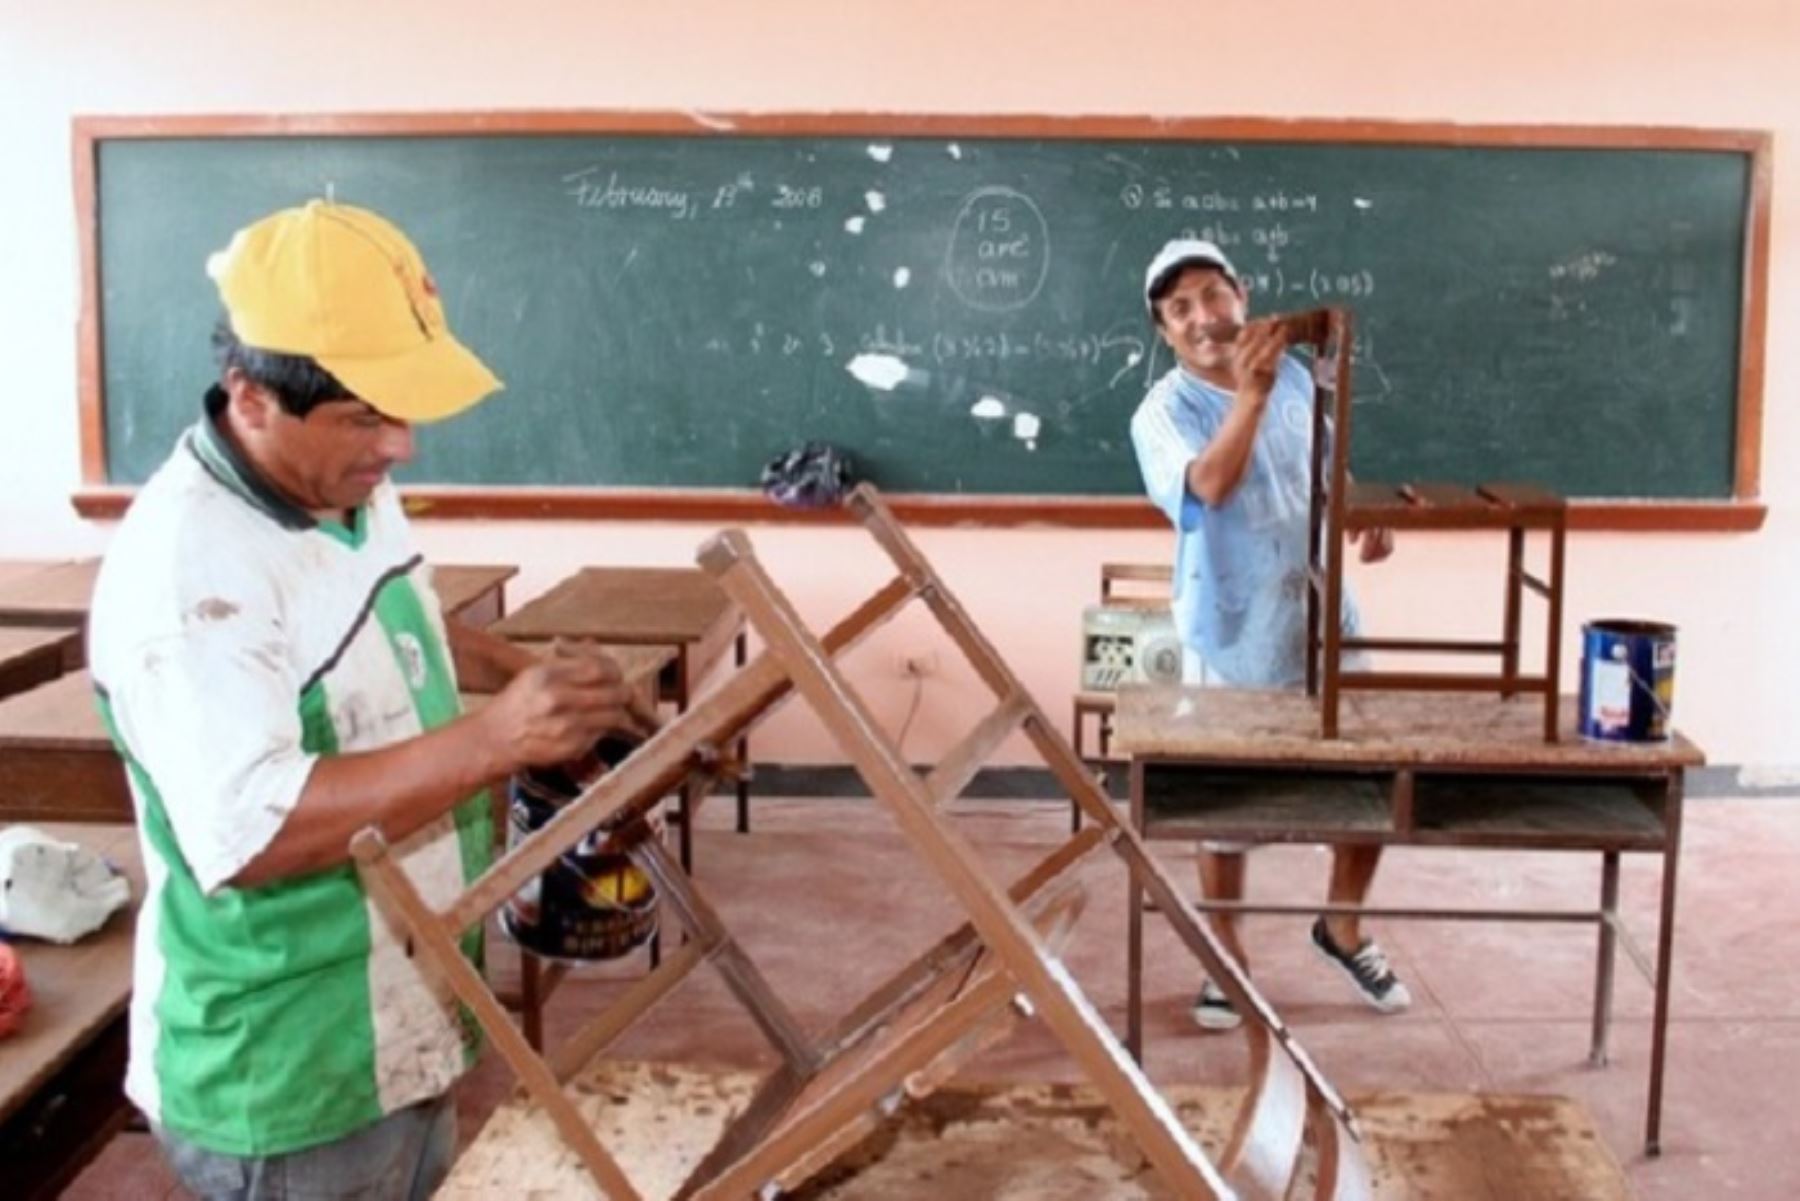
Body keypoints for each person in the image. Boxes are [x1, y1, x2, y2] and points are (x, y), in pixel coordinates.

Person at [88, 200, 652, 1199]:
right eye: (365, 417)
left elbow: (405, 623)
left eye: (401, 412)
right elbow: (248, 834)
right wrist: (495, 738)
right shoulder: (190, 580)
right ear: (250, 397)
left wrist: (523, 685)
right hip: (292, 1060)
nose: (400, 447)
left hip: (400, 1006)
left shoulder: (341, 484)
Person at [1128, 237, 1411, 1032]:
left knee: (1367, 777)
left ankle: (1343, 923)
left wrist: (1366, 514)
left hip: (1324, 613)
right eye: (1179, 309)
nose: (1202, 319)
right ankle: (1226, 955)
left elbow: (1324, 466)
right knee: (1225, 798)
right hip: (1232, 624)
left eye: (1212, 296)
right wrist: (1246, 395)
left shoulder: (1296, 375)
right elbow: (1209, 487)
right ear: (1165, 332)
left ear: (1242, 296)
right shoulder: (1162, 414)